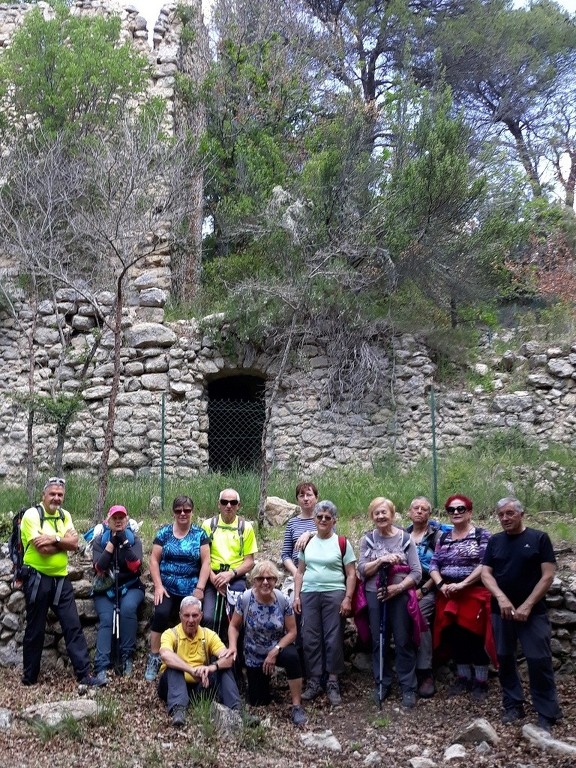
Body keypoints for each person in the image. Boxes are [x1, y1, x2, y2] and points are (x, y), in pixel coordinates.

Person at [481, 497, 563, 732]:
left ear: (521, 514)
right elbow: (486, 574)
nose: (505, 518)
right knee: (505, 659)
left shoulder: (539, 538)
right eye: (501, 515)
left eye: (510, 514)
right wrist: (501, 597)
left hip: (533, 612)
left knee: (539, 660)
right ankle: (513, 704)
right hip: (501, 612)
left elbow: (547, 575)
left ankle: (547, 711)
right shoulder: (495, 541)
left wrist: (527, 605)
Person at [19, 476, 103, 687]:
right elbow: (43, 550)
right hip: (37, 577)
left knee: (73, 625)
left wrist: (54, 539)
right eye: (52, 494)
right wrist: (62, 541)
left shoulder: (65, 515)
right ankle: (29, 678)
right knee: (35, 628)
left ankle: (84, 674)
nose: (56, 498)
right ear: (43, 495)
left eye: (60, 495)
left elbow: (74, 543)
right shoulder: (31, 515)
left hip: (61, 578)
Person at [429, 494, 496, 701]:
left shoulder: (482, 535)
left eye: (461, 509)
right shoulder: (444, 538)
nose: (456, 513)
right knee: (455, 635)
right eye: (451, 510)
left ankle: (481, 681)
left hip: (473, 593)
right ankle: (463, 677)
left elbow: (485, 564)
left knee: (475, 635)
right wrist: (441, 585)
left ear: (470, 512)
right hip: (449, 595)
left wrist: (463, 584)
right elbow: (434, 564)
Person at [358, 497, 422, 709]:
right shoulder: (367, 540)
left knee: (403, 639)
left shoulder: (405, 539)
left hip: (399, 594)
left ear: (392, 515)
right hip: (375, 595)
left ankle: (408, 687)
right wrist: (380, 561)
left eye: (384, 512)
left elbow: (417, 572)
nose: (381, 516)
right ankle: (381, 683)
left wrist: (398, 588)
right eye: (376, 513)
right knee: (379, 640)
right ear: (372, 517)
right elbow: (362, 570)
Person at [228, 560, 307, 726]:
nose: (265, 582)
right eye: (260, 578)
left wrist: (275, 650)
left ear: (275, 581)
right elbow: (234, 626)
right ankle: (264, 686)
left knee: (292, 657)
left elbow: (292, 632)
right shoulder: (245, 599)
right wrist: (233, 647)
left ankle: (296, 705)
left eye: (270, 578)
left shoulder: (282, 600)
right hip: (254, 654)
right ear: (254, 581)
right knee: (258, 701)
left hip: (276, 650)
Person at [293, 500, 356, 707]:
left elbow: (351, 573)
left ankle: (332, 681)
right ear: (314, 519)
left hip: (334, 593)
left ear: (333, 520)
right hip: (309, 593)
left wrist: (348, 597)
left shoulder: (342, 543)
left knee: (333, 637)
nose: (322, 520)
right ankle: (314, 681)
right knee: (310, 636)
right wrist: (296, 596)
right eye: (319, 517)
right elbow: (300, 571)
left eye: (327, 517)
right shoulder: (307, 543)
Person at [145, 495, 211, 681]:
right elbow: (154, 560)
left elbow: (206, 562)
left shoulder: (200, 534)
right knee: (161, 613)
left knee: (199, 617)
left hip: (191, 587)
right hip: (167, 586)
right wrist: (158, 586)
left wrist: (200, 588)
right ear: (173, 512)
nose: (183, 513)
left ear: (192, 512)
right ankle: (154, 656)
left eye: (187, 510)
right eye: (178, 510)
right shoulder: (164, 533)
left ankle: (197, 657)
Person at [157, 596, 242, 727]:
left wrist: (212, 668)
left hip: (200, 686)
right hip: (172, 686)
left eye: (194, 615)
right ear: (180, 616)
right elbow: (165, 655)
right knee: (173, 666)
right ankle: (178, 711)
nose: (190, 620)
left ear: (201, 616)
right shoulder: (171, 634)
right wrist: (191, 670)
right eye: (186, 615)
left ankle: (237, 710)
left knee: (223, 667)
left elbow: (229, 657)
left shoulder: (208, 634)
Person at [91, 504, 145, 683]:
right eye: (115, 518)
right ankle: (101, 666)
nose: (118, 521)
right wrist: (111, 544)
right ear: (108, 520)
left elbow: (135, 566)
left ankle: (126, 657)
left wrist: (124, 542)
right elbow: (99, 567)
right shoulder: (99, 540)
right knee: (107, 619)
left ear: (127, 520)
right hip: (105, 589)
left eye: (122, 517)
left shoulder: (134, 540)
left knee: (128, 609)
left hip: (130, 586)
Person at [201, 489, 258, 638]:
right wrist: (214, 579)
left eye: (233, 502)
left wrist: (230, 574)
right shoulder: (208, 525)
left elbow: (249, 561)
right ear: (218, 504)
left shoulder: (246, 527)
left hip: (235, 576)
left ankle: (235, 655)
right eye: (224, 502)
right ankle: (210, 655)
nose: (228, 505)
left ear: (238, 505)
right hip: (212, 575)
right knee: (208, 617)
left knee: (236, 617)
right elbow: (203, 558)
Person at [406, 496, 446, 698]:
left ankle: (425, 672)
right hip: (403, 586)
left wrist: (424, 590)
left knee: (420, 619)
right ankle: (405, 671)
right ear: (409, 512)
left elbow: (441, 566)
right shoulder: (402, 535)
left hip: (427, 588)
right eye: (416, 508)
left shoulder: (438, 536)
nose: (419, 511)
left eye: (424, 509)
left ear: (429, 514)